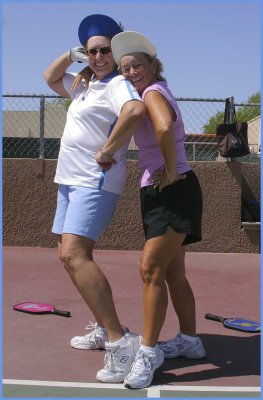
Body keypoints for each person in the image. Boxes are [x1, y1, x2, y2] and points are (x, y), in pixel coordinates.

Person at [94, 31, 206, 389]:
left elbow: (162, 126)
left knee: (150, 271)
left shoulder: (154, 92)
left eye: (137, 65)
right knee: (173, 274)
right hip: (169, 189)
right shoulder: (152, 92)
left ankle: (148, 351)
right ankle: (189, 341)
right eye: (125, 69)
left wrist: (170, 172)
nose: (130, 72)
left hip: (171, 191)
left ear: (153, 66)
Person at [43, 16, 146, 384]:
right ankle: (107, 329)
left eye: (105, 50)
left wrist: (110, 147)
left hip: (94, 181)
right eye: (92, 51)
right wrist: (74, 57)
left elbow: (135, 111)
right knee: (66, 256)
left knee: (75, 254)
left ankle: (121, 343)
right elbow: (50, 78)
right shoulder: (84, 84)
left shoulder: (117, 84)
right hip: (68, 181)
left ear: (114, 53)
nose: (99, 56)